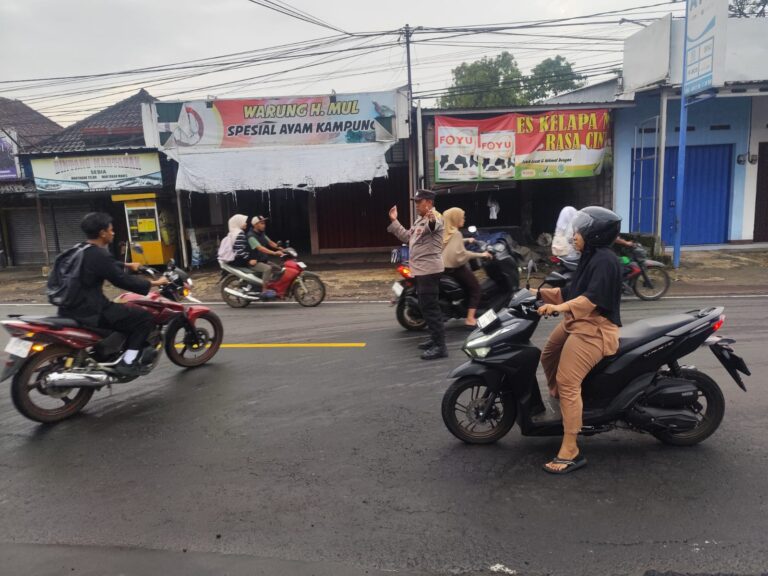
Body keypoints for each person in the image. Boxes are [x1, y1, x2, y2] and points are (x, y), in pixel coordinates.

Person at [536, 206, 623, 474]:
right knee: (548, 354)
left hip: (595, 328)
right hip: (578, 321)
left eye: (579, 231)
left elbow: (589, 300)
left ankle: (571, 448)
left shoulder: (605, 261)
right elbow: (572, 291)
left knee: (568, 381)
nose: (574, 236)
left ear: (594, 234)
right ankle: (560, 401)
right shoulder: (590, 255)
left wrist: (558, 308)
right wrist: (535, 294)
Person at [58, 212, 169, 379]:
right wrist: (155, 283)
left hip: (67, 308)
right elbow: (122, 280)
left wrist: (126, 264)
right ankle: (128, 362)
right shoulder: (99, 254)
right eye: (111, 230)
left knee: (124, 314)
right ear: (102, 233)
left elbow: (102, 265)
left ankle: (108, 351)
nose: (113, 233)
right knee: (144, 318)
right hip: (91, 311)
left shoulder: (79, 249)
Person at [387, 189, 447, 360]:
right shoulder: (420, 220)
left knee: (431, 309)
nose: (416, 205)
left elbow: (434, 225)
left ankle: (440, 347)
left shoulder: (435, 217)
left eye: (419, 202)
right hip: (421, 270)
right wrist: (394, 220)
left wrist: (432, 218)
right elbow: (407, 237)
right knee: (425, 308)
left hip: (429, 271)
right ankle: (434, 338)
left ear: (429, 202)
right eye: (415, 202)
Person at [441, 207, 491, 327]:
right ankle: (470, 318)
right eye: (461, 217)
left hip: (446, 269)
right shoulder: (456, 233)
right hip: (456, 269)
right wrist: (482, 255)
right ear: (455, 219)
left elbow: (453, 243)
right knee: (476, 289)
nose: (464, 219)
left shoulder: (446, 232)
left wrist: (467, 240)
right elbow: (462, 254)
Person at [247, 215, 283, 295]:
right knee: (268, 269)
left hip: (263, 260)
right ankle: (264, 291)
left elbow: (270, 243)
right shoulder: (251, 236)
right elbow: (260, 248)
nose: (264, 225)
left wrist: (283, 249)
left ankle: (272, 286)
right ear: (255, 225)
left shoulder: (261, 234)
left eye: (264, 223)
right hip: (255, 262)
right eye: (262, 223)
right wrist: (274, 253)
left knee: (279, 269)